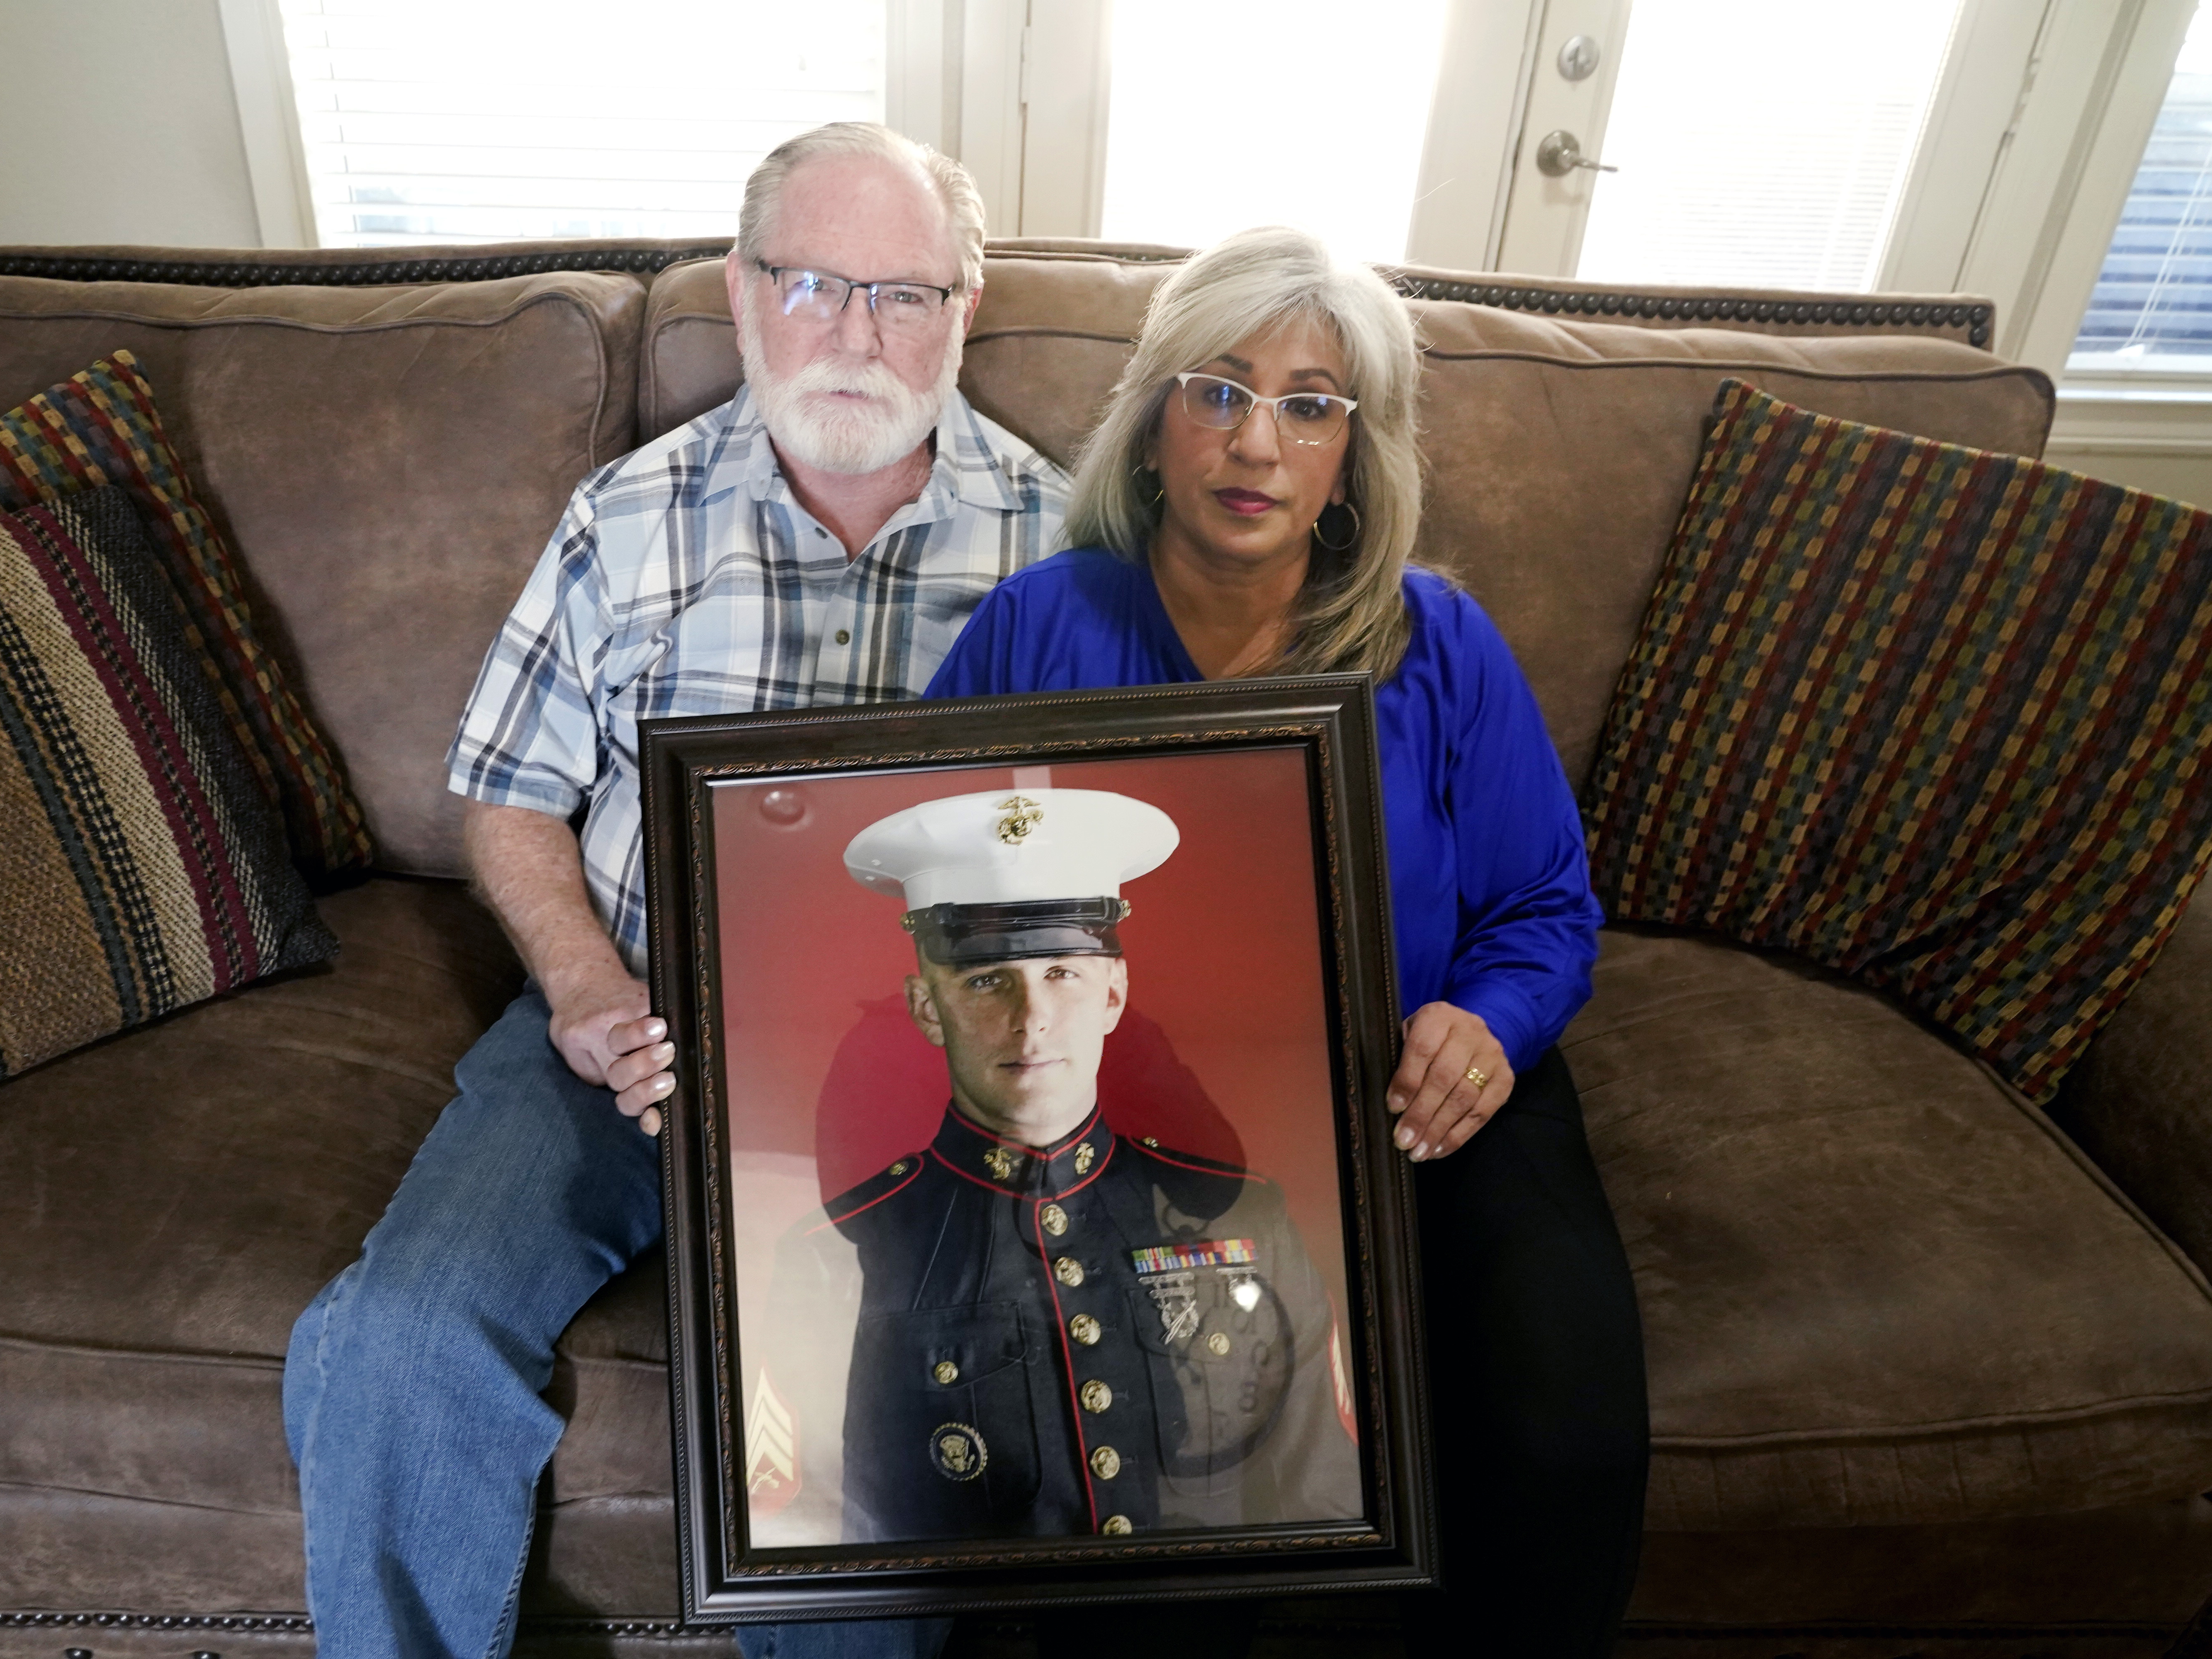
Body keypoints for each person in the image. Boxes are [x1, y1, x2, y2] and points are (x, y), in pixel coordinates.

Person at [280, 122, 1066, 1659]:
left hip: (907, 1078)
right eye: (814, 283)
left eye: (904, 294)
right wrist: (584, 987)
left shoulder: (1060, 544)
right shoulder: (629, 516)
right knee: (396, 1339)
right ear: (743, 288)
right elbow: (509, 792)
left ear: (964, 309)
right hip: (625, 1027)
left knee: (850, 1450)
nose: (855, 333)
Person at [919, 226, 1649, 1656]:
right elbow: (930, 869)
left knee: (1559, 1433)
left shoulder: (1441, 641)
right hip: (1138, 1126)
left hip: (1419, 1094)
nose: (1258, 442)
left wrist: (1490, 1026)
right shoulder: (1036, 626)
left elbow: (1544, 911)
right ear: (1154, 427)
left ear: (1353, 457)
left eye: (1311, 406)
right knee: (1177, 1484)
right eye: (1220, 392)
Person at [750, 787, 1359, 1548]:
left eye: (1063, 974)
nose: (1031, 1018)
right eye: (985, 980)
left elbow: (1325, 1504)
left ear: (1115, 993)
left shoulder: (1246, 1219)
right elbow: (816, 1556)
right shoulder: (838, 1258)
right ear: (928, 1008)